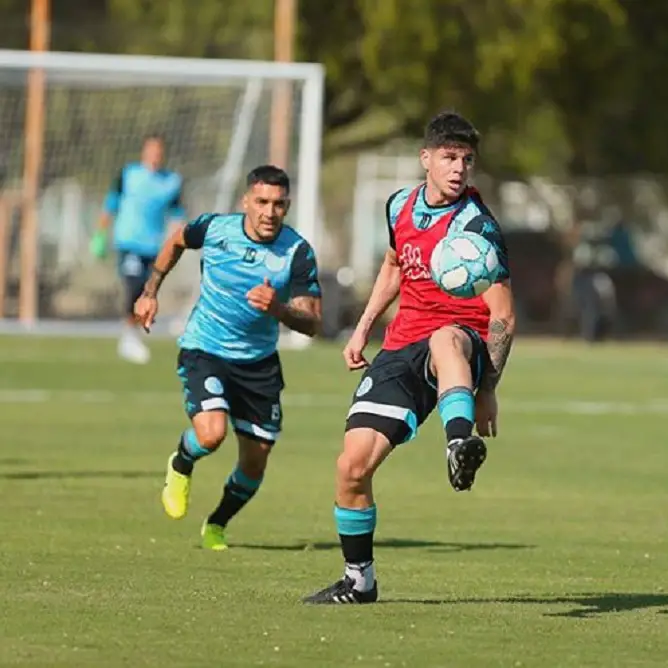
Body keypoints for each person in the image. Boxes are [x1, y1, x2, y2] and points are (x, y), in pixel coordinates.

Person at [303, 112, 515, 604]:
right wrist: (363, 328)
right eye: (449, 157)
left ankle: (457, 442)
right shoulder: (399, 205)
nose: (459, 168)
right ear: (426, 158)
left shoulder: (479, 226)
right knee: (351, 466)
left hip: (462, 342)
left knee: (445, 338)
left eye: (467, 159)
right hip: (401, 347)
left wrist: (487, 390)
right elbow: (394, 265)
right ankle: (359, 581)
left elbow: (503, 315)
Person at [133, 165, 322, 551]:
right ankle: (181, 462)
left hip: (259, 363)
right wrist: (150, 292)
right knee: (211, 433)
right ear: (245, 202)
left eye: (278, 204)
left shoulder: (297, 252)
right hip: (206, 349)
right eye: (262, 202)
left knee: (255, 463)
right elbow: (177, 240)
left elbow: (312, 322)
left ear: (287, 207)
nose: (269, 212)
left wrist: (278, 309)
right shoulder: (215, 229)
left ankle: (217, 523)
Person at [90, 134, 186, 364]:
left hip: (153, 247)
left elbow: (177, 215)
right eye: (151, 150)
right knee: (133, 286)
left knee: (147, 291)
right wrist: (100, 235)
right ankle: (129, 336)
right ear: (144, 152)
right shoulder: (128, 175)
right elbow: (111, 204)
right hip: (128, 242)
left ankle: (132, 334)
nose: (154, 155)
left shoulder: (171, 182)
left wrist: (180, 242)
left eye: (158, 151)